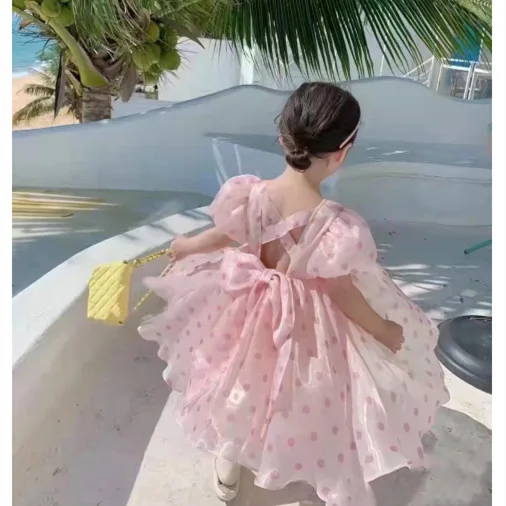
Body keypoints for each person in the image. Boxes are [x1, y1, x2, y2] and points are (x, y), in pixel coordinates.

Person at [138, 82, 449, 506]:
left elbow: (225, 234)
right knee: (299, 392)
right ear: (342, 152)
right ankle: (303, 452)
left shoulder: (250, 194)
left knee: (237, 379)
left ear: (283, 138)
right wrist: (382, 330)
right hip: (305, 325)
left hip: (244, 308)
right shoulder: (336, 226)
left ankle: (229, 457)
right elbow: (342, 292)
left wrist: (187, 246)